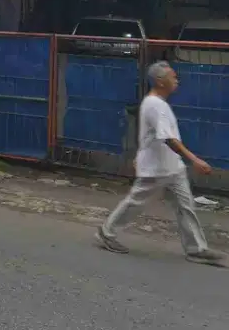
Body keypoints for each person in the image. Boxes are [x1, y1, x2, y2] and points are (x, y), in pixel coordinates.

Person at [96, 60, 225, 266]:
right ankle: (107, 232)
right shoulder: (156, 105)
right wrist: (194, 159)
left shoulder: (156, 103)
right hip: (157, 167)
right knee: (135, 203)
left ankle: (196, 249)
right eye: (173, 77)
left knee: (186, 207)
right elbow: (168, 138)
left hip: (171, 166)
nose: (177, 80)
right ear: (160, 81)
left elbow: (148, 135)